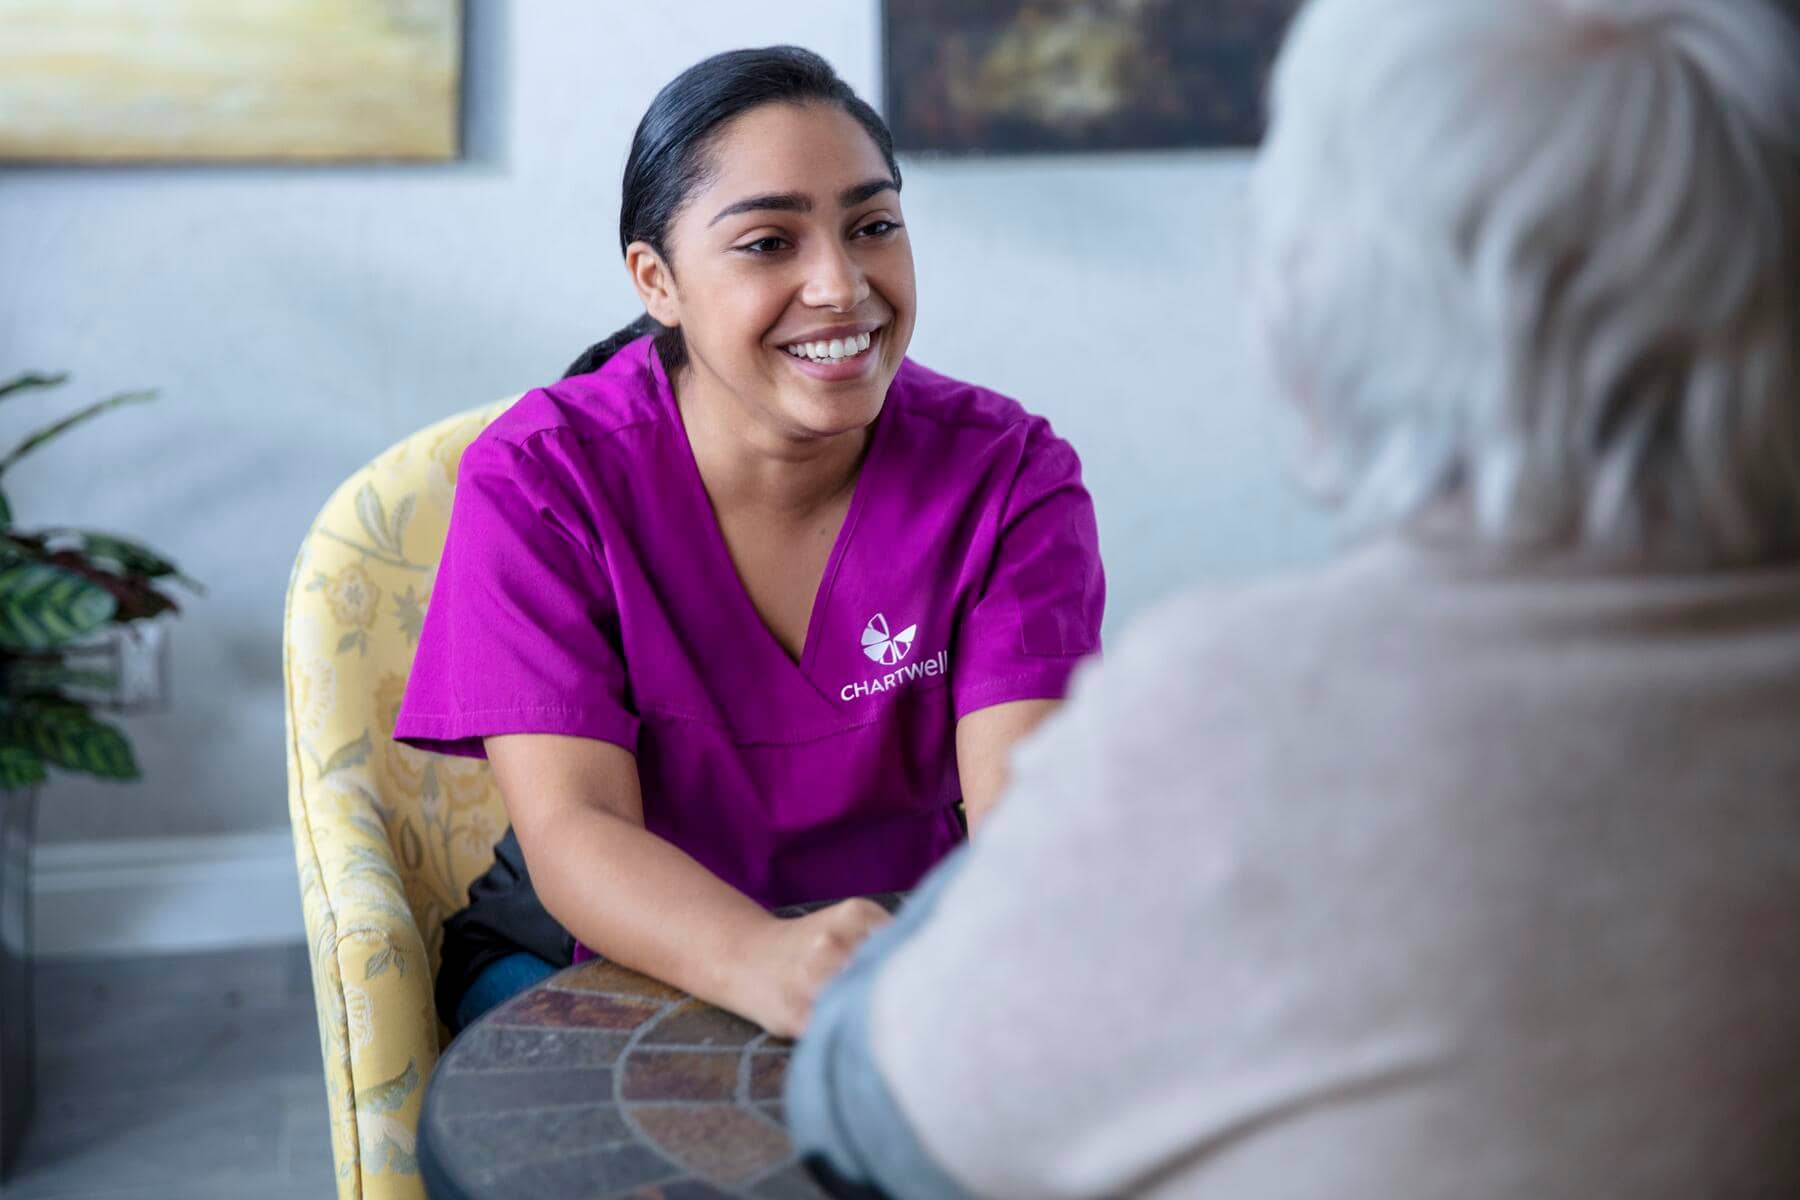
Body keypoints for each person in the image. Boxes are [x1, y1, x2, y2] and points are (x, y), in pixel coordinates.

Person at [787, 0, 1800, 1195]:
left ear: (1316, 307)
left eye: (875, 226)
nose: (838, 287)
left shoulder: (1228, 706)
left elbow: (871, 1110)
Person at [393, 46, 1104, 1039]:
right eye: (770, 242)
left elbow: (1024, 829)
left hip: (903, 961)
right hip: (599, 959)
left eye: (873, 226)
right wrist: (763, 962)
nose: (840, 285)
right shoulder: (541, 480)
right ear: (658, 280)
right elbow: (576, 827)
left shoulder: (1010, 477)